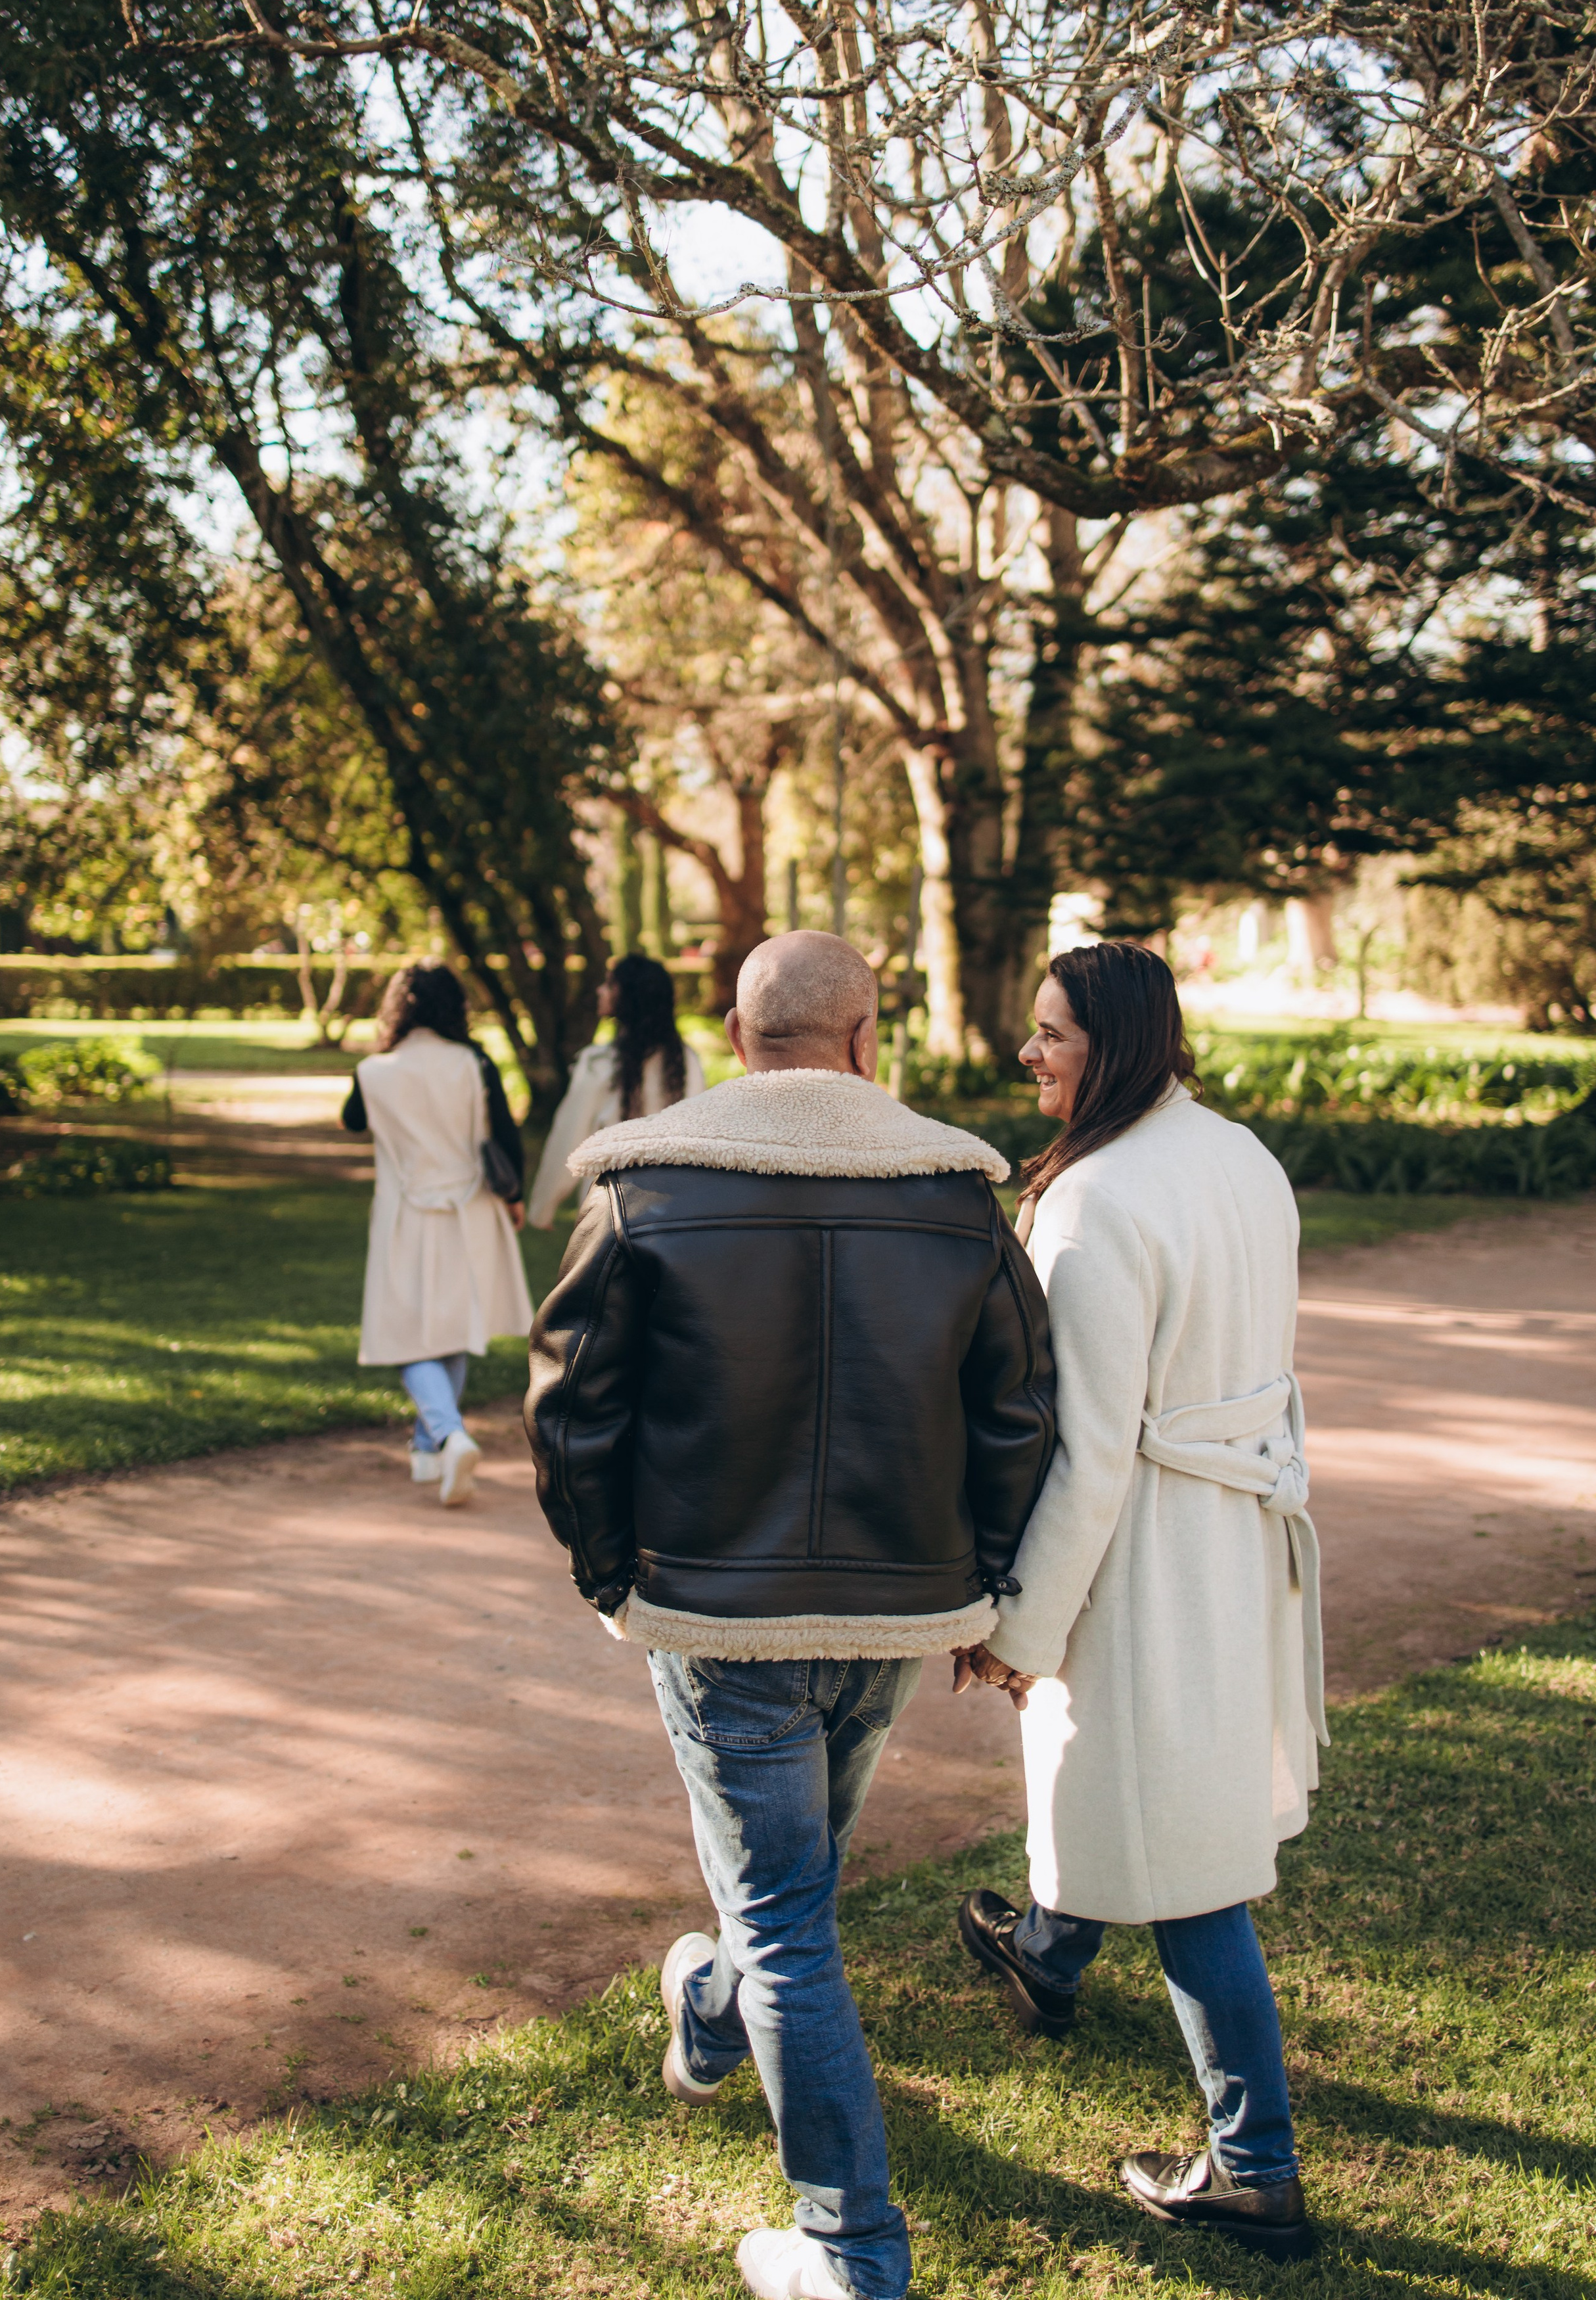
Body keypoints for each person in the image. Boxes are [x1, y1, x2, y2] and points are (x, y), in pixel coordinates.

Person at [525, 931, 1057, 2300]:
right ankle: (707, 2011)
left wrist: (607, 1574)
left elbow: (574, 1400)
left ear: (733, 1032)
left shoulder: (651, 1181)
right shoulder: (952, 1193)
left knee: (782, 1915)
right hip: (889, 1611)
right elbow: (1015, 1413)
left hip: (716, 1610)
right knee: (785, 1898)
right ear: (866, 1038)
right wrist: (981, 1579)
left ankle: (851, 2253)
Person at [953, 941, 1325, 2261]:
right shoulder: (1242, 1158)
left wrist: (1019, 1627)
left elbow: (1087, 1446)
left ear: (1109, 1042)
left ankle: (1253, 2166)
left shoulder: (1093, 1200)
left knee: (1181, 1864)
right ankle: (1048, 1951)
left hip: (1146, 1560)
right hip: (1233, 1541)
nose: (1029, 1053)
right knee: (1152, 1797)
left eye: (1050, 1032)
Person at [344, 961, 534, 1506]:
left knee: (408, 1330)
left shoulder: (374, 1070)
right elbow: (504, 1131)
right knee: (452, 1322)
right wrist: (514, 1196)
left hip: (406, 1212)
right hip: (471, 1206)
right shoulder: (474, 1062)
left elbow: (352, 1120)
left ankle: (445, 1436)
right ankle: (432, 1447)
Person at [526, 951, 705, 1228]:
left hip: (610, 1212)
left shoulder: (600, 1064)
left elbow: (569, 1136)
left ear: (628, 997)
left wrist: (542, 1208)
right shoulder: (685, 1061)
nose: (600, 991)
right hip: (674, 1207)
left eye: (609, 984)